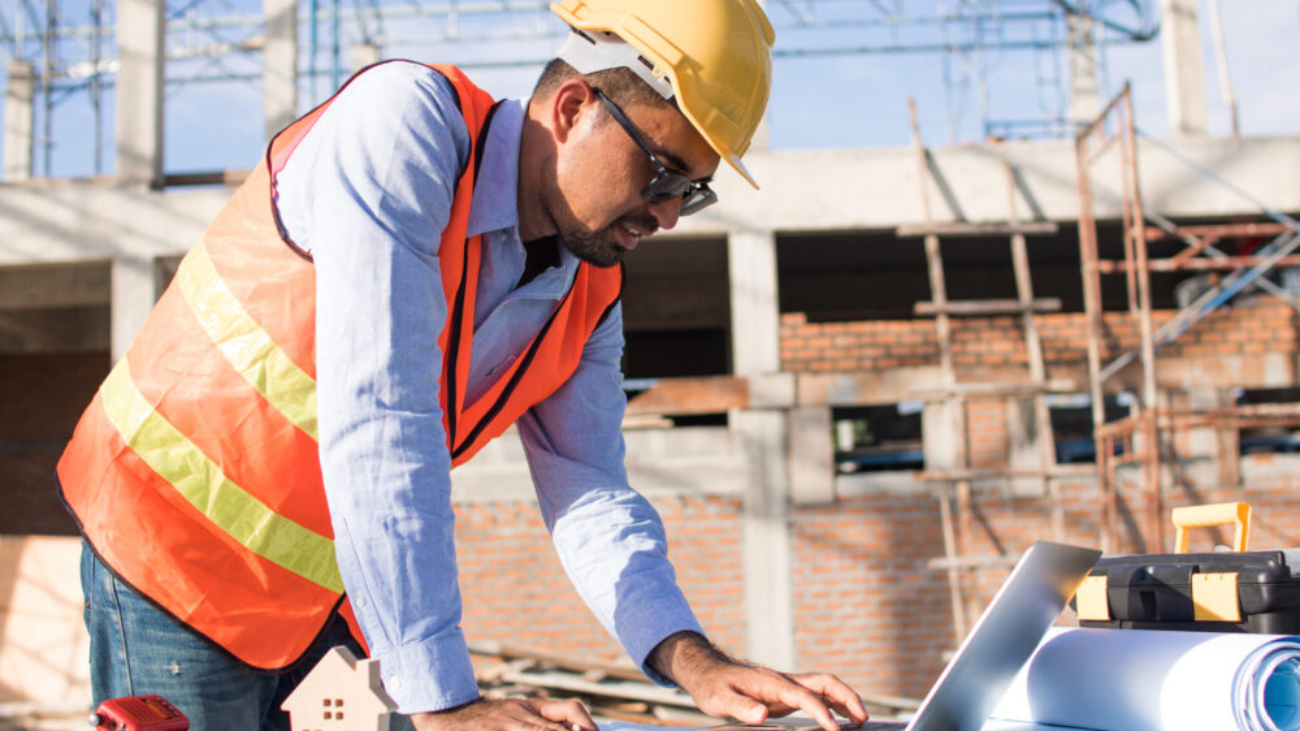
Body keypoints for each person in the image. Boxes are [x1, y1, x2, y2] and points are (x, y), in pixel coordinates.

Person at [58, 1, 870, 730]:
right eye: (662, 173)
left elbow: (590, 493)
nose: (665, 215)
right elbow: (382, 414)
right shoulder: (400, 129)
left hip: (322, 601)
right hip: (173, 554)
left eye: (692, 193)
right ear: (574, 106)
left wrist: (697, 661)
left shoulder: (587, 288)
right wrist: (447, 703)